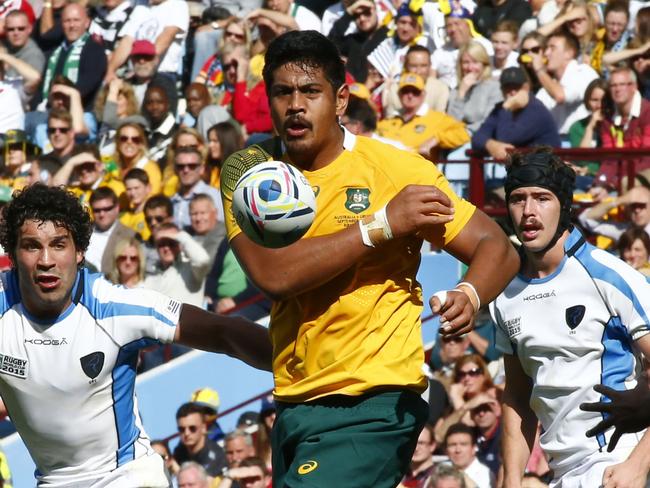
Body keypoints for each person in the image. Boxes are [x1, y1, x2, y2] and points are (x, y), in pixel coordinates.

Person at [220, 30, 519, 487]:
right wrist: (382, 225)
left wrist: (470, 293)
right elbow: (274, 275)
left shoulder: (396, 170)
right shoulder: (247, 173)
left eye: (310, 92)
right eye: (282, 92)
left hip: (375, 402)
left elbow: (495, 246)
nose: (295, 105)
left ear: (341, 100)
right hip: (294, 403)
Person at [0, 183, 271, 486]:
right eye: (32, 245)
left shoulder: (114, 307)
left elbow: (221, 331)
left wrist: (298, 365)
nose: (46, 260)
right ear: (12, 253)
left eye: (59, 244)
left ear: (80, 252)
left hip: (125, 476)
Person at [490, 148, 650, 487]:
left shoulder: (610, 275)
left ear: (564, 205)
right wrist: (511, 479)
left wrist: (637, 465)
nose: (529, 211)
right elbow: (518, 395)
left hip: (613, 463)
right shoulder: (504, 294)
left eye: (542, 198)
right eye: (518, 199)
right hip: (560, 473)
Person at [472, 66, 560, 161]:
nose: (512, 92)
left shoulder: (536, 109)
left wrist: (508, 107)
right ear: (502, 90)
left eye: (517, 87)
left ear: (526, 87)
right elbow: (477, 138)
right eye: (507, 88)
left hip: (546, 168)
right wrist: (490, 144)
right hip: (524, 169)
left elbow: (506, 138)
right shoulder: (500, 109)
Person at [40, 3, 107, 111]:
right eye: (67, 21)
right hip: (49, 109)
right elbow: (42, 86)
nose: (72, 25)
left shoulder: (95, 50)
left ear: (86, 23)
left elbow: (86, 85)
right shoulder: (54, 51)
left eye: (76, 20)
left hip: (81, 112)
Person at [532, 30, 599, 138]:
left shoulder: (583, 72)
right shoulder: (547, 87)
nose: (546, 53)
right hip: (558, 145)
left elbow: (561, 96)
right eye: (546, 48)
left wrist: (539, 70)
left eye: (552, 48)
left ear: (569, 53)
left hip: (580, 142)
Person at [173, 403, 228, 477]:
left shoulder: (217, 455)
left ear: (203, 428)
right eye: (181, 429)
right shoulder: (179, 453)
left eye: (192, 428)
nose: (186, 433)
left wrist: (175, 467)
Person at [444, 423, 494, 488]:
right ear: (446, 450)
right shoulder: (438, 471)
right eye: (453, 445)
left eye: (463, 444)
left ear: (474, 448)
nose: (458, 450)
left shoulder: (485, 475)